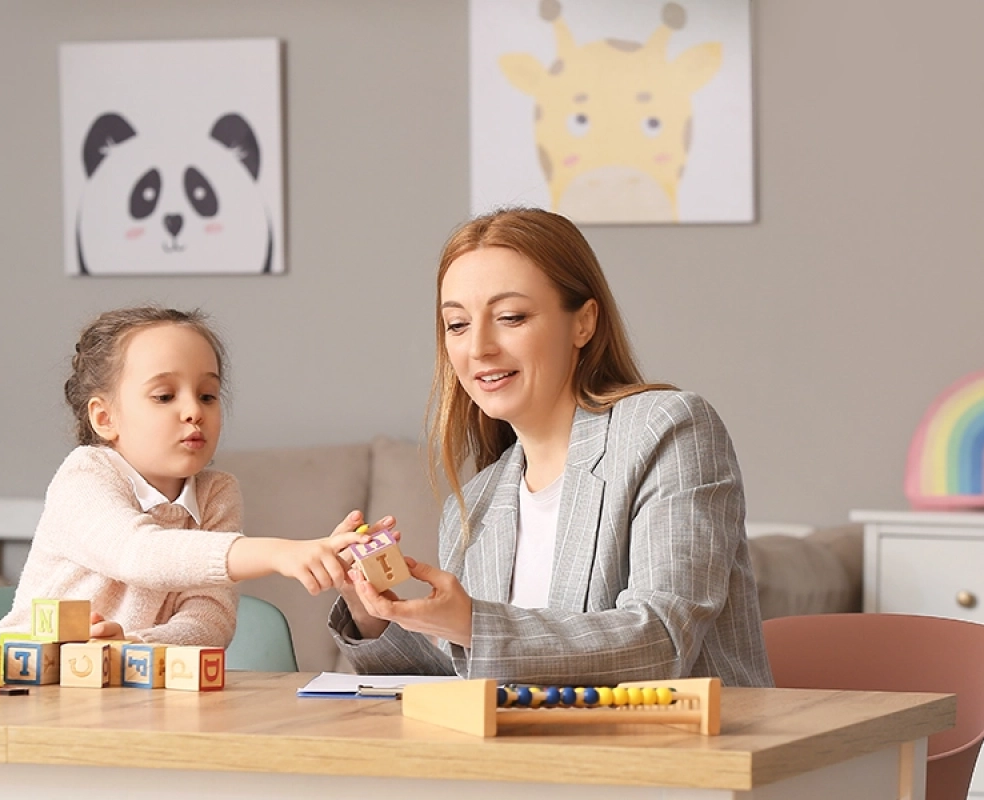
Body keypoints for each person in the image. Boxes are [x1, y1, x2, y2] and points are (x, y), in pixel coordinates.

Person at [328, 208, 773, 687]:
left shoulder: (667, 429)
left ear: (583, 323)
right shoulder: (476, 504)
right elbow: (466, 679)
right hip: (528, 757)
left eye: (510, 317)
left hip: (679, 753)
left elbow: (661, 642)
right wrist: (372, 609)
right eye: (456, 325)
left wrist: (471, 623)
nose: (478, 348)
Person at [0, 306, 369, 646]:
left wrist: (136, 646)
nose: (193, 410)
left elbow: (211, 617)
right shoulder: (83, 477)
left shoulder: (217, 492)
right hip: (30, 680)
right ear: (104, 418)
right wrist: (278, 552)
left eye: (208, 395)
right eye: (164, 396)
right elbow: (139, 553)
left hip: (128, 692)